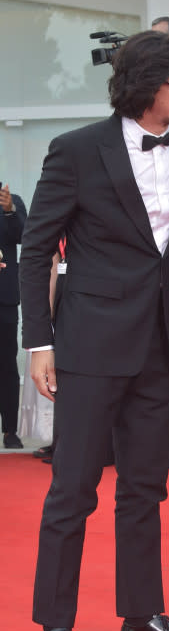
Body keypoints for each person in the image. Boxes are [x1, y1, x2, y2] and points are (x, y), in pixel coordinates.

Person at [19, 30, 169, 631]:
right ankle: (56, 628)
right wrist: (38, 343)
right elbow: (37, 249)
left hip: (161, 340)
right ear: (148, 87)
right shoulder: (75, 152)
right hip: (90, 345)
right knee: (73, 490)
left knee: (145, 489)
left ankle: (142, 617)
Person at [0, 181, 27, 449]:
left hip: (4, 299)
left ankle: (10, 430)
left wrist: (9, 210)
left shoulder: (12, 201)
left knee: (6, 365)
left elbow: (25, 235)